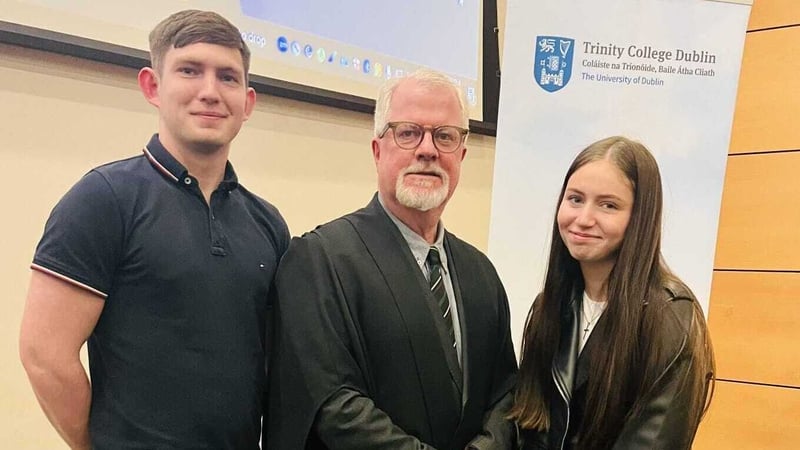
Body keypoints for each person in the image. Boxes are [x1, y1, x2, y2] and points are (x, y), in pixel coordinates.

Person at [19, 10, 289, 450]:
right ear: (152, 86)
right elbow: (44, 357)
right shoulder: (103, 199)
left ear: (248, 101)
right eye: (189, 70)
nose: (210, 92)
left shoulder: (268, 223)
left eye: (228, 77)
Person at [265, 69, 517, 450]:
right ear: (377, 149)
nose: (428, 149)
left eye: (444, 136)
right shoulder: (320, 260)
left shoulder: (480, 272)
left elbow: (506, 393)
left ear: (461, 156)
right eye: (408, 132)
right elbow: (332, 402)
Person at [509, 136, 715, 449]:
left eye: (608, 205)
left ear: (640, 218)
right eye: (575, 199)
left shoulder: (670, 317)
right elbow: (530, 424)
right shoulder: (550, 306)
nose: (583, 219)